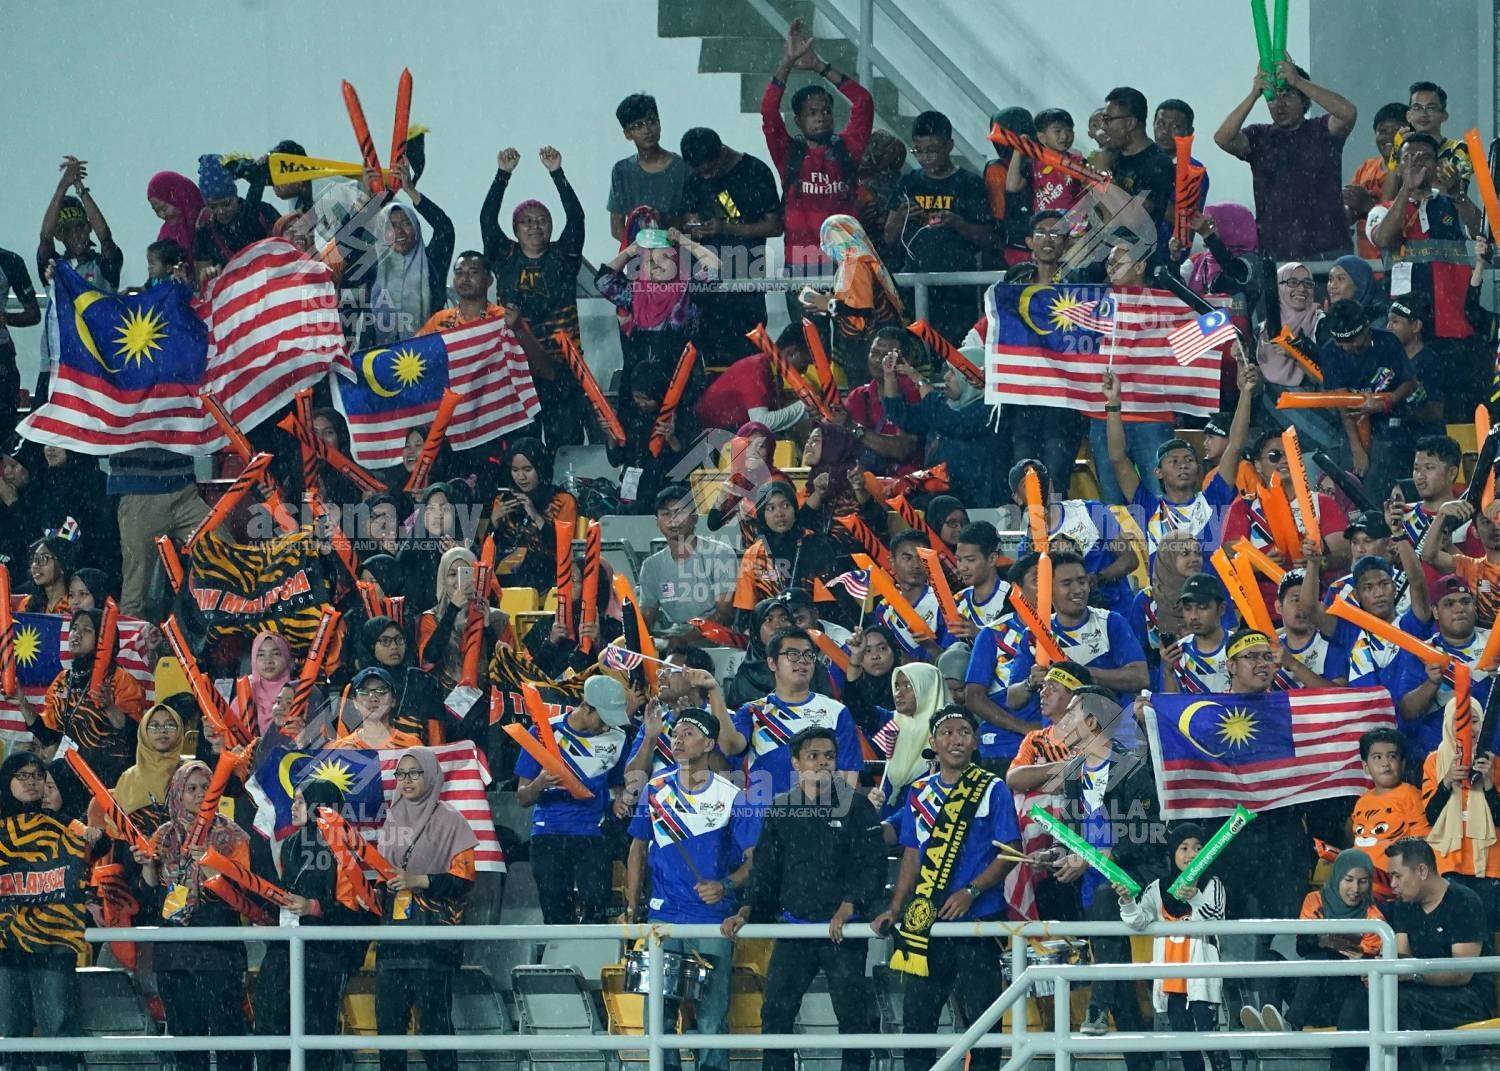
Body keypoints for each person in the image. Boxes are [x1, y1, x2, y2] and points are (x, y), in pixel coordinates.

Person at [722, 726, 885, 1071]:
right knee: (775, 1013)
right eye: (814, 756)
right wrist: (746, 910)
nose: (823, 762)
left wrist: (850, 905)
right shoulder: (781, 809)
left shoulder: (857, 807)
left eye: (829, 756)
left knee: (853, 1017)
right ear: (796, 763)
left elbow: (872, 866)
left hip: (843, 934)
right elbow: (765, 869)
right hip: (794, 930)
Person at [871, 705, 1020, 1071]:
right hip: (927, 925)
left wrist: (972, 891)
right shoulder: (919, 791)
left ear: (975, 743)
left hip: (978, 923)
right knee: (918, 1021)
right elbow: (911, 854)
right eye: (947, 733)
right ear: (933, 743)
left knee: (982, 1023)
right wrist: (896, 906)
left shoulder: (992, 788)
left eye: (964, 732)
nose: (956, 739)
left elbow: (1011, 851)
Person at [626, 707, 758, 1071]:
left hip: (713, 920)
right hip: (663, 918)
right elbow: (637, 849)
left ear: (709, 744)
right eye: (675, 733)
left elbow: (755, 861)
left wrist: (726, 886)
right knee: (658, 1017)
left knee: (712, 1017)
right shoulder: (654, 790)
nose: (678, 739)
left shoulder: (733, 795)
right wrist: (632, 906)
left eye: (688, 733)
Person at [135, 761, 252, 1071]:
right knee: (185, 1036)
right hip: (174, 951)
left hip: (219, 947)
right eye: (191, 788)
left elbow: (243, 892)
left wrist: (213, 866)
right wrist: (146, 865)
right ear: (178, 793)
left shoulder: (232, 835)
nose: (200, 794)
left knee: (229, 1034)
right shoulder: (163, 836)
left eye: (206, 787)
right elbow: (150, 895)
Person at [252, 778, 374, 1071]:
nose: (293, 807)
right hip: (284, 954)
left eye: (300, 801)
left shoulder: (346, 848)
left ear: (320, 807)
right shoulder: (291, 844)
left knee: (316, 1037)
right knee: (270, 1029)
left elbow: (359, 915)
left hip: (324, 959)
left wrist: (315, 908)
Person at [374, 748, 479, 1071]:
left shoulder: (451, 819)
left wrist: (419, 880)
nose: (406, 780)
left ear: (431, 775)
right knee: (389, 1030)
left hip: (433, 940)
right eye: (401, 774)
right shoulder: (391, 819)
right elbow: (381, 874)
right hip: (393, 942)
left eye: (415, 773)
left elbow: (464, 880)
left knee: (435, 1028)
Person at [1241, 849, 1383, 1064]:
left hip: (1342, 1002)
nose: (1355, 889)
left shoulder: (1374, 918)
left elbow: (1365, 967)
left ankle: (1291, 1025)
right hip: (1308, 991)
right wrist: (1328, 942)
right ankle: (1270, 1022)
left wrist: (1326, 942)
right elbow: (1303, 946)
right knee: (1271, 958)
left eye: (1362, 882)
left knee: (1321, 959)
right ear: (1337, 877)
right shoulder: (1314, 899)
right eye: (1349, 880)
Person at [761, 17, 874, 282]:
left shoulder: (847, 148)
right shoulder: (788, 153)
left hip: (848, 264)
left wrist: (819, 66)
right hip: (801, 266)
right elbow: (768, 110)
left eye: (825, 111)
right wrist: (787, 62)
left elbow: (863, 101)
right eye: (812, 113)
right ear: (798, 120)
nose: (821, 117)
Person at [1212, 55, 1357, 259]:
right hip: (1277, 252)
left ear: (1304, 100)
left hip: (1329, 248)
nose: (1279, 104)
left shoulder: (1322, 130)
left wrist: (1298, 81)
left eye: (1287, 95)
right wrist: (1254, 94)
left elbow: (1348, 113)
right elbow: (1222, 138)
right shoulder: (1259, 136)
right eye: (1272, 97)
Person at [1102, 361, 1256, 554]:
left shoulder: (1212, 500)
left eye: (1189, 460)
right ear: (1158, 472)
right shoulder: (1148, 506)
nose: (1183, 465)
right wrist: (1113, 403)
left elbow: (1235, 446)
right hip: (1163, 577)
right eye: (1174, 461)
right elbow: (1118, 459)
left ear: (1198, 469)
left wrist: (1245, 393)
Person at [515, 675, 629, 924]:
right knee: (556, 917)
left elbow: (617, 786)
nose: (607, 728)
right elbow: (522, 797)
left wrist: (619, 801)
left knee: (596, 916)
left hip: (594, 836)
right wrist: (540, 783)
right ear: (586, 707)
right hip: (548, 835)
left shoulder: (618, 739)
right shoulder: (544, 733)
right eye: (603, 720)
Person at [1115, 824, 1230, 1071]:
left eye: (1198, 848)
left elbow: (1215, 919)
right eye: (1184, 848)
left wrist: (1194, 897)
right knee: (1185, 1045)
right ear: (1172, 852)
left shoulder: (1212, 883)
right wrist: (1127, 900)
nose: (1191, 854)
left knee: (1211, 1040)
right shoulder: (1157, 888)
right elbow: (1138, 921)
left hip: (1202, 979)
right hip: (1172, 981)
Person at [0, 751, 87, 1071]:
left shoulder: (64, 825)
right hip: (6, 947)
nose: (31, 782)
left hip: (53, 944)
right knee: (11, 1034)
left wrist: (95, 836)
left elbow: (99, 844)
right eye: (22, 776)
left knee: (58, 1030)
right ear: (6, 781)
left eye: (37, 776)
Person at [883, 110, 993, 344]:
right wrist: (901, 217)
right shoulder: (908, 183)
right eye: (919, 151)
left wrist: (957, 222)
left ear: (949, 145)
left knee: (956, 352)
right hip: (914, 284)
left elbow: (988, 238)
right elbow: (889, 237)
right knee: (915, 350)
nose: (926, 158)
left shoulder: (969, 184)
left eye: (932, 150)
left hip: (957, 289)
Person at [679, 126, 783, 361]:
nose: (706, 177)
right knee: (707, 356)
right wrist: (694, 228)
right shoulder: (694, 179)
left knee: (749, 352)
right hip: (706, 285)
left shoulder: (755, 171)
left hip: (746, 278)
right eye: (700, 172)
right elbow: (688, 219)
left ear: (723, 151)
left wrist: (726, 228)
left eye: (710, 170)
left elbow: (775, 226)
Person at [724, 627, 862, 796]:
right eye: (793, 654)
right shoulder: (753, 712)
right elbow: (730, 747)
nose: (802, 661)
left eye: (808, 655)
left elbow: (848, 779)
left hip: (817, 810)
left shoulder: (837, 712)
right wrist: (715, 692)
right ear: (772, 663)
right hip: (765, 811)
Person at [19, 606, 146, 786]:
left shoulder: (121, 680)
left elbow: (136, 738)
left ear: (104, 640)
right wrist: (21, 702)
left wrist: (110, 708)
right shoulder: (63, 679)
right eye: (74, 628)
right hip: (69, 773)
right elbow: (49, 736)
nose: (76, 634)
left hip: (110, 779)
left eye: (87, 630)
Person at [1383, 838, 1492, 1039]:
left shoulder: (1464, 901)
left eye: (1397, 876)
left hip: (1469, 997)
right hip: (1420, 991)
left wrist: (1413, 974)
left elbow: (1461, 973)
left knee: (1399, 1003)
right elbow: (1402, 956)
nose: (1393, 884)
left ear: (1422, 871)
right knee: (1365, 998)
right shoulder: (1404, 904)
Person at [1011, 459, 1138, 615]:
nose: (1038, 489)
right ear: (1017, 498)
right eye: (1028, 486)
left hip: (1117, 611)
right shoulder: (1026, 548)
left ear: (1050, 484)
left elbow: (1130, 559)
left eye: (1041, 481)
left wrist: (1098, 579)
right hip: (1068, 621)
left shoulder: (1091, 511)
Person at [1320, 299, 1418, 498]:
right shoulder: (1330, 351)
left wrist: (1384, 403)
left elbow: (1409, 382)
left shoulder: (1388, 342)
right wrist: (1357, 449)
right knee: (1355, 494)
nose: (1346, 348)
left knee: (1392, 494)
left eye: (1352, 341)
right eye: (1341, 343)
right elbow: (1343, 402)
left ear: (1366, 329)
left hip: (1392, 431)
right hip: (1351, 431)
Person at [1420, 687, 1500, 924]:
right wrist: (1447, 782)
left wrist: (1488, 784)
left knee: (1484, 934)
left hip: (1489, 865)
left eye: (1473, 721)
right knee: (1451, 933)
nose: (1468, 728)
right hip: (1447, 864)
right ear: (1447, 725)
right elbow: (1432, 817)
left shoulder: (1496, 764)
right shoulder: (1434, 761)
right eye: (1460, 722)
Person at [880, 344, 995, 505]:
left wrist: (919, 380)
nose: (946, 377)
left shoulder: (990, 410)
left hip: (973, 502)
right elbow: (902, 416)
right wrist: (890, 377)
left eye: (953, 372)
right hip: (937, 496)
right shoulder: (945, 405)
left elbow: (953, 423)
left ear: (971, 378)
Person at [802, 214, 903, 380]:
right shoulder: (855, 261)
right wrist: (831, 300)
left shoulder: (855, 263)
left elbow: (863, 310)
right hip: (866, 344)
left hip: (867, 346)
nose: (824, 247)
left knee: (867, 391)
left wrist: (830, 305)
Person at [638, 484, 739, 647]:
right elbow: (645, 619)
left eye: (680, 512)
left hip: (718, 639)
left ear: (695, 517)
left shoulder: (721, 554)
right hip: (675, 638)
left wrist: (684, 640)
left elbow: (725, 614)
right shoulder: (651, 567)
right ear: (657, 522)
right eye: (665, 514)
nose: (673, 520)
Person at [366, 174, 456, 345]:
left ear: (416, 229)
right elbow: (344, 246)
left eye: (406, 223)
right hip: (381, 357)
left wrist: (410, 190)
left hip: (429, 353)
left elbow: (444, 227)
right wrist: (369, 202)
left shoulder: (432, 263)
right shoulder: (372, 270)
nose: (399, 231)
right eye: (391, 225)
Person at [491, 438, 580, 592]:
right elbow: (489, 549)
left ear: (540, 468)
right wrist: (493, 523)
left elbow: (562, 549)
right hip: (504, 576)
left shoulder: (562, 500)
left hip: (546, 575)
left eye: (527, 469)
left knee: (533, 564)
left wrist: (536, 516)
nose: (521, 477)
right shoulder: (503, 501)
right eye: (515, 470)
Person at [1349, 728, 1429, 897]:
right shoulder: (1361, 802)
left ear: (1403, 764)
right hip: (1361, 888)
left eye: (1392, 756)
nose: (1385, 763)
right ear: (1365, 767)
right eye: (1377, 757)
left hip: (1394, 888)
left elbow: (1421, 842)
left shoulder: (1411, 795)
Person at [608, 93, 692, 242]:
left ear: (660, 124)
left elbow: (692, 221)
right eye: (638, 125)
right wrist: (642, 249)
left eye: (651, 121)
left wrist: (666, 225)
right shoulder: (621, 171)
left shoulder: (682, 168)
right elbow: (616, 228)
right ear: (628, 134)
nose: (647, 130)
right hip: (637, 252)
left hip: (678, 249)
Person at [192, 152, 278, 285]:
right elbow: (202, 281)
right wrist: (209, 274)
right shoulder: (205, 231)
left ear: (235, 196)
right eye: (212, 207)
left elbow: (289, 247)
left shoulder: (263, 212)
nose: (221, 211)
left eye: (226, 204)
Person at [1098, 87, 1175, 229]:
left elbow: (1133, 219)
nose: (1103, 126)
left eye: (1108, 120)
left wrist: (1103, 173)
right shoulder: (1111, 153)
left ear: (1130, 123)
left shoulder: (1158, 164)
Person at [112, 700, 187, 830]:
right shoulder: (129, 778)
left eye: (170, 725)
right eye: (154, 726)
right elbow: (114, 827)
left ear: (180, 730)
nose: (162, 731)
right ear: (143, 732)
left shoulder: (192, 773)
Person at [0, 243, 39, 445]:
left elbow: (33, 313)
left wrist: (5, 318)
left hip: (2, 358)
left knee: (4, 429)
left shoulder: (9, 261)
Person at [333, 667, 424, 750]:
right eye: (364, 692)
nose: (373, 698)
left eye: (381, 691)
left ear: (393, 700)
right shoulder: (341, 749)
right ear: (355, 702)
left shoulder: (412, 745)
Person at [841, 623, 902, 735]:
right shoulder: (856, 691)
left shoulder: (909, 685)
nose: (875, 656)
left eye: (882, 648)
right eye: (867, 651)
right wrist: (856, 656)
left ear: (894, 650)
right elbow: (856, 711)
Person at [146, 169, 205, 280]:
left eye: (164, 209)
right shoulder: (165, 234)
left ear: (179, 199)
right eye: (156, 211)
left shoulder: (205, 222)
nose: (161, 215)